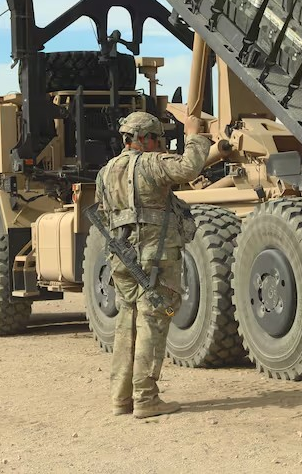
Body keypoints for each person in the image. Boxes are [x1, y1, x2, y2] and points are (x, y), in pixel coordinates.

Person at [96, 111, 212, 419]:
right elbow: (189, 168)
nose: (160, 145)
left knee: (125, 324)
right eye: (157, 139)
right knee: (152, 320)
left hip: (122, 260)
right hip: (155, 257)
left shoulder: (106, 172)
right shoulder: (151, 163)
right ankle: (145, 398)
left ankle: (121, 399)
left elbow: (103, 210)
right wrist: (195, 136)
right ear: (145, 139)